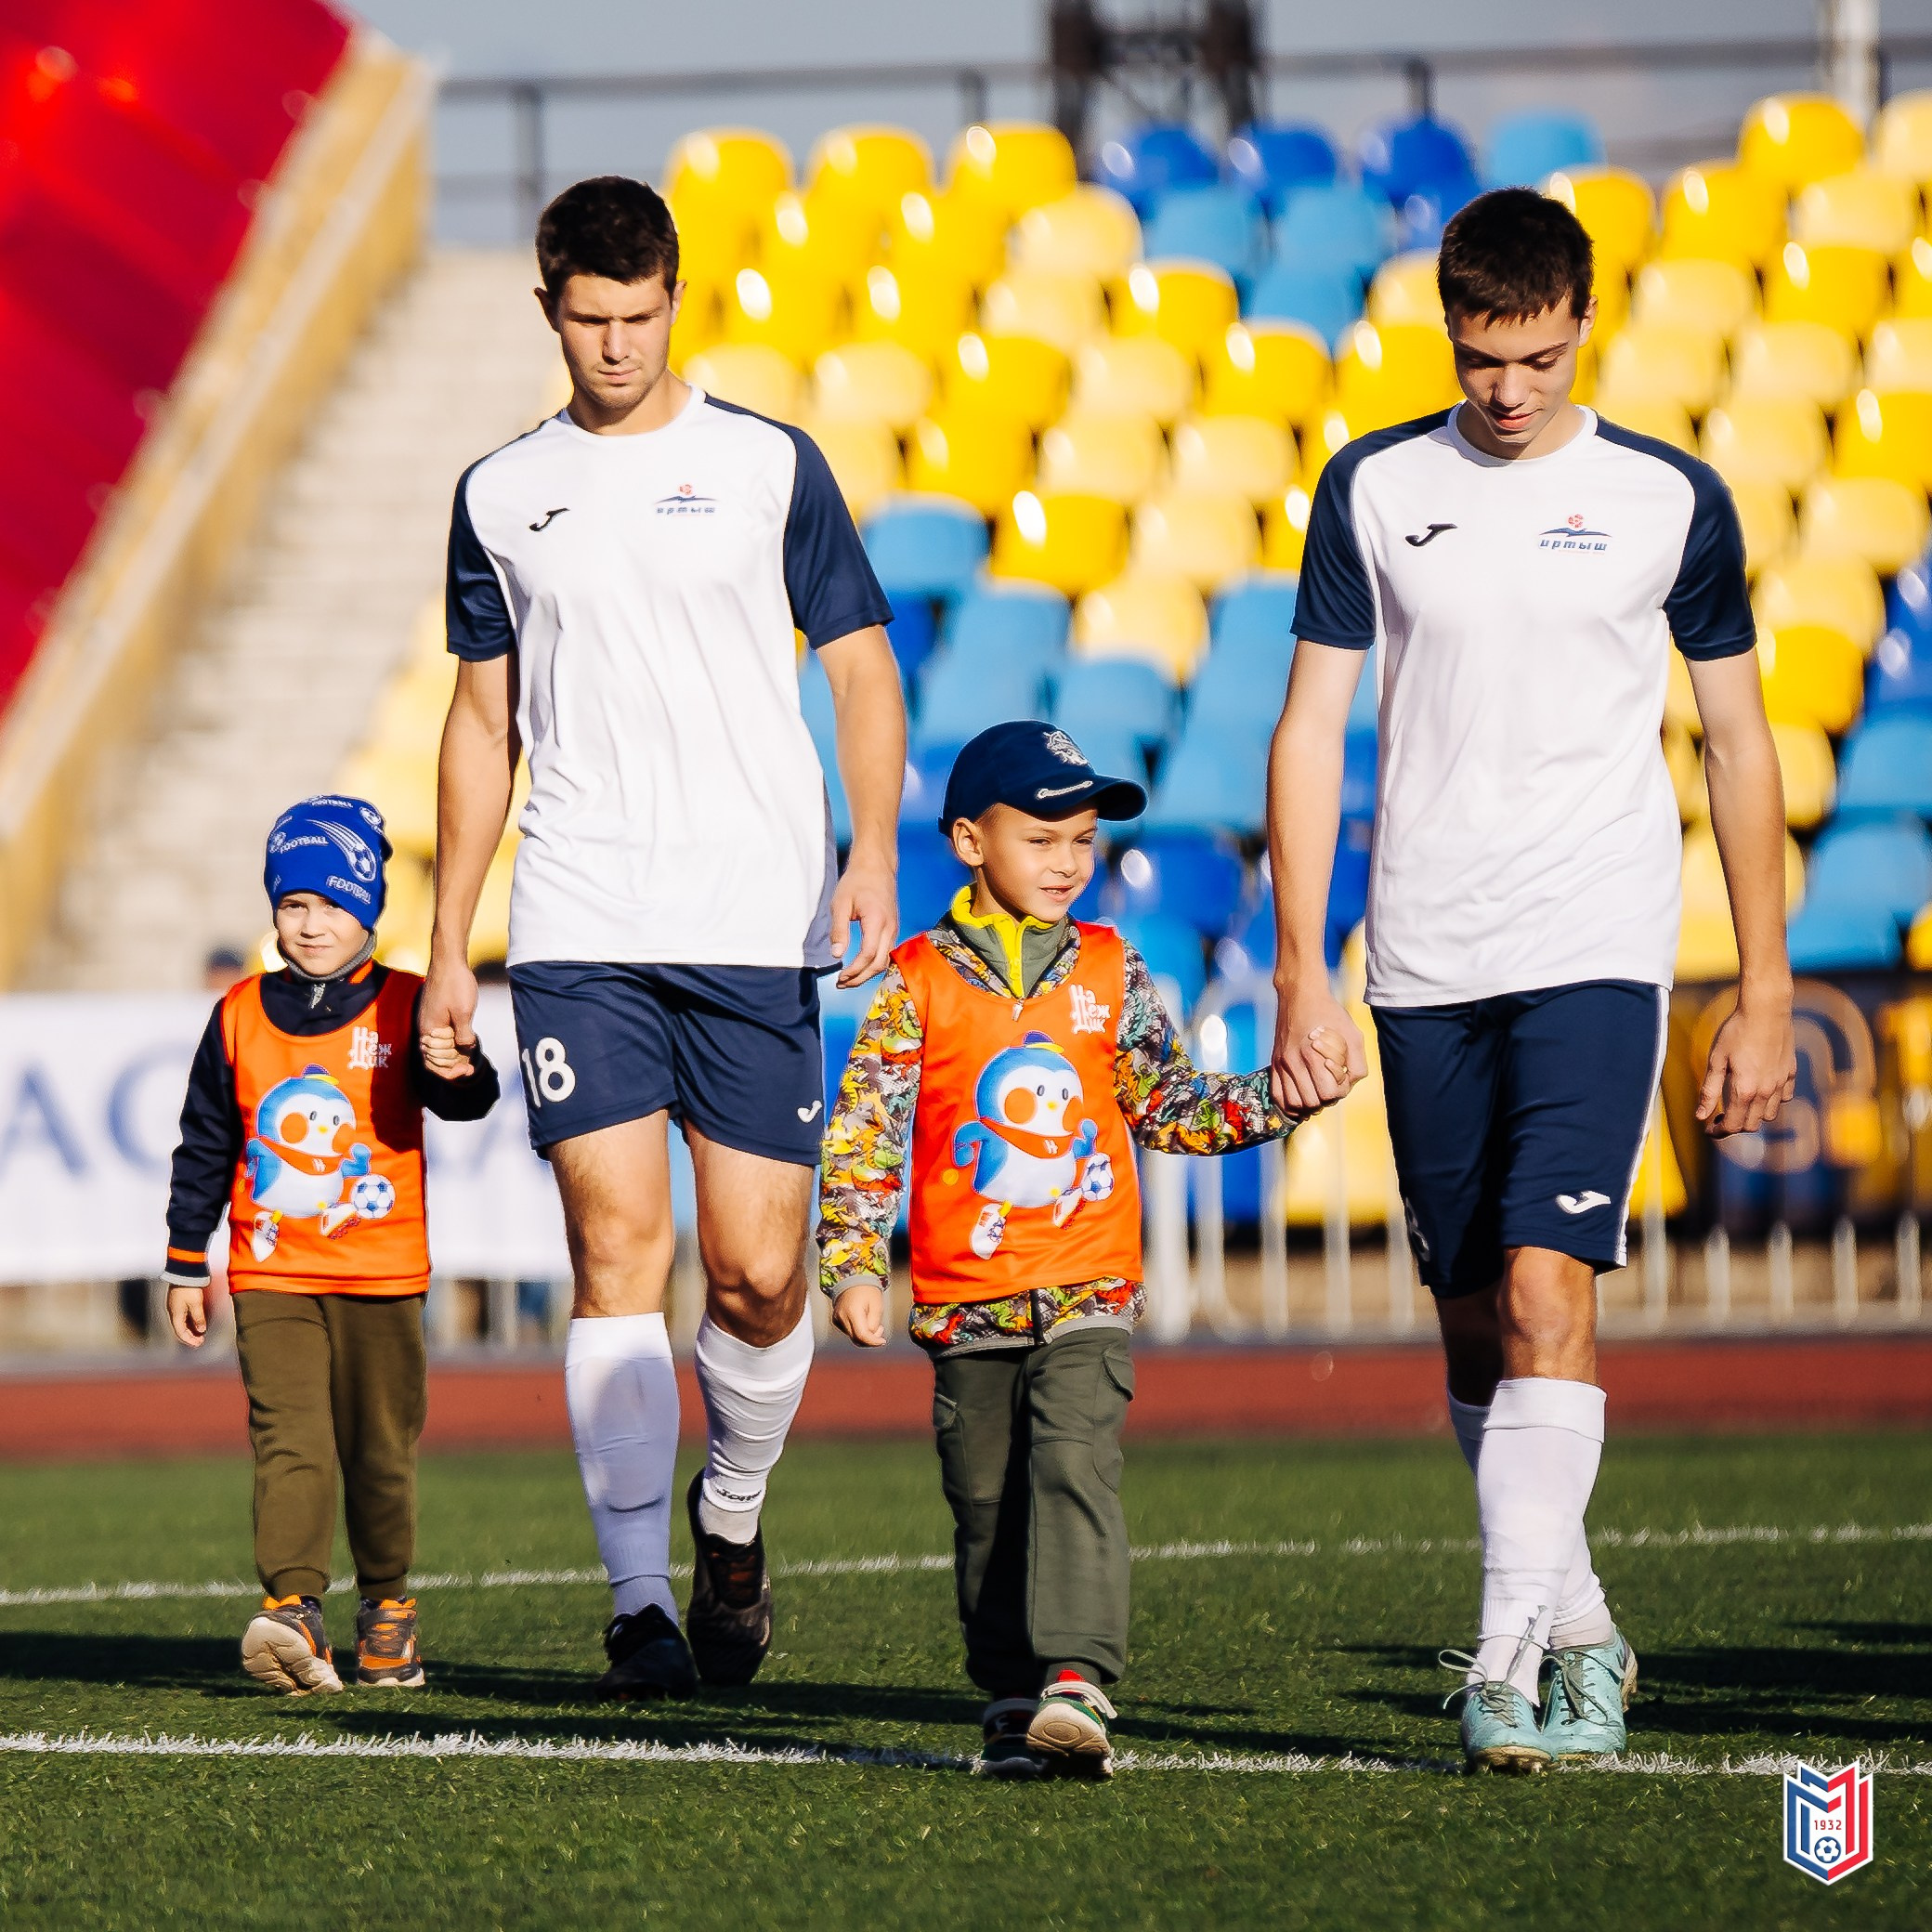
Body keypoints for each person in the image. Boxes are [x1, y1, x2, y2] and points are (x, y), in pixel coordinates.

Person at [1266, 189, 1796, 1773]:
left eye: (1542, 358)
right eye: (1484, 359)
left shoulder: (1667, 500)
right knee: (1477, 1331)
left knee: (1556, 1292)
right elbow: (1310, 731)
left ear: (1583, 327)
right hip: (1424, 953)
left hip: (1594, 947)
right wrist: (1302, 968)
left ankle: (1498, 1670)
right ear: (1449, 329)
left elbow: (1743, 739)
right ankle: (1581, 1634)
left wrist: (1762, 986)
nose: (1510, 392)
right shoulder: (1370, 486)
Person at [421, 176, 905, 1699]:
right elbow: (482, 724)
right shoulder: (502, 493)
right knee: (617, 1247)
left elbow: (865, 666)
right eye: (589, 319)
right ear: (552, 307)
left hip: (754, 920)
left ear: (674, 300)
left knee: (761, 1276)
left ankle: (733, 1524)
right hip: (581, 922)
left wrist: (877, 846)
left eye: (639, 318)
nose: (616, 345)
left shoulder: (767, 466)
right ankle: (637, 1602)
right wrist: (449, 940)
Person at [819, 723, 1333, 1778]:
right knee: (984, 1505)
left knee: (1072, 1460)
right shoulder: (914, 982)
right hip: (965, 1306)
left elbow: (1170, 1106)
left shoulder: (1112, 966)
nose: (1067, 861)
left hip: (1089, 1291)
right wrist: (856, 1259)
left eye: (1084, 841)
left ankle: (1077, 1677)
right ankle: (1012, 1693)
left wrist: (1279, 1098)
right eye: (1042, 837)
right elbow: (867, 1126)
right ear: (968, 840)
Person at [162, 796, 499, 1693]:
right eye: (293, 905)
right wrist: (186, 1259)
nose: (311, 925)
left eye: (332, 904)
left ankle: (387, 1610)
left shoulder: (407, 1004)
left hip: (383, 1276)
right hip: (270, 1274)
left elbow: (468, 1099)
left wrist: (457, 1063)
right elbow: (204, 1144)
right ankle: (293, 1608)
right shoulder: (236, 1014)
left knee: (380, 1452)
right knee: (289, 1439)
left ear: (370, 907)